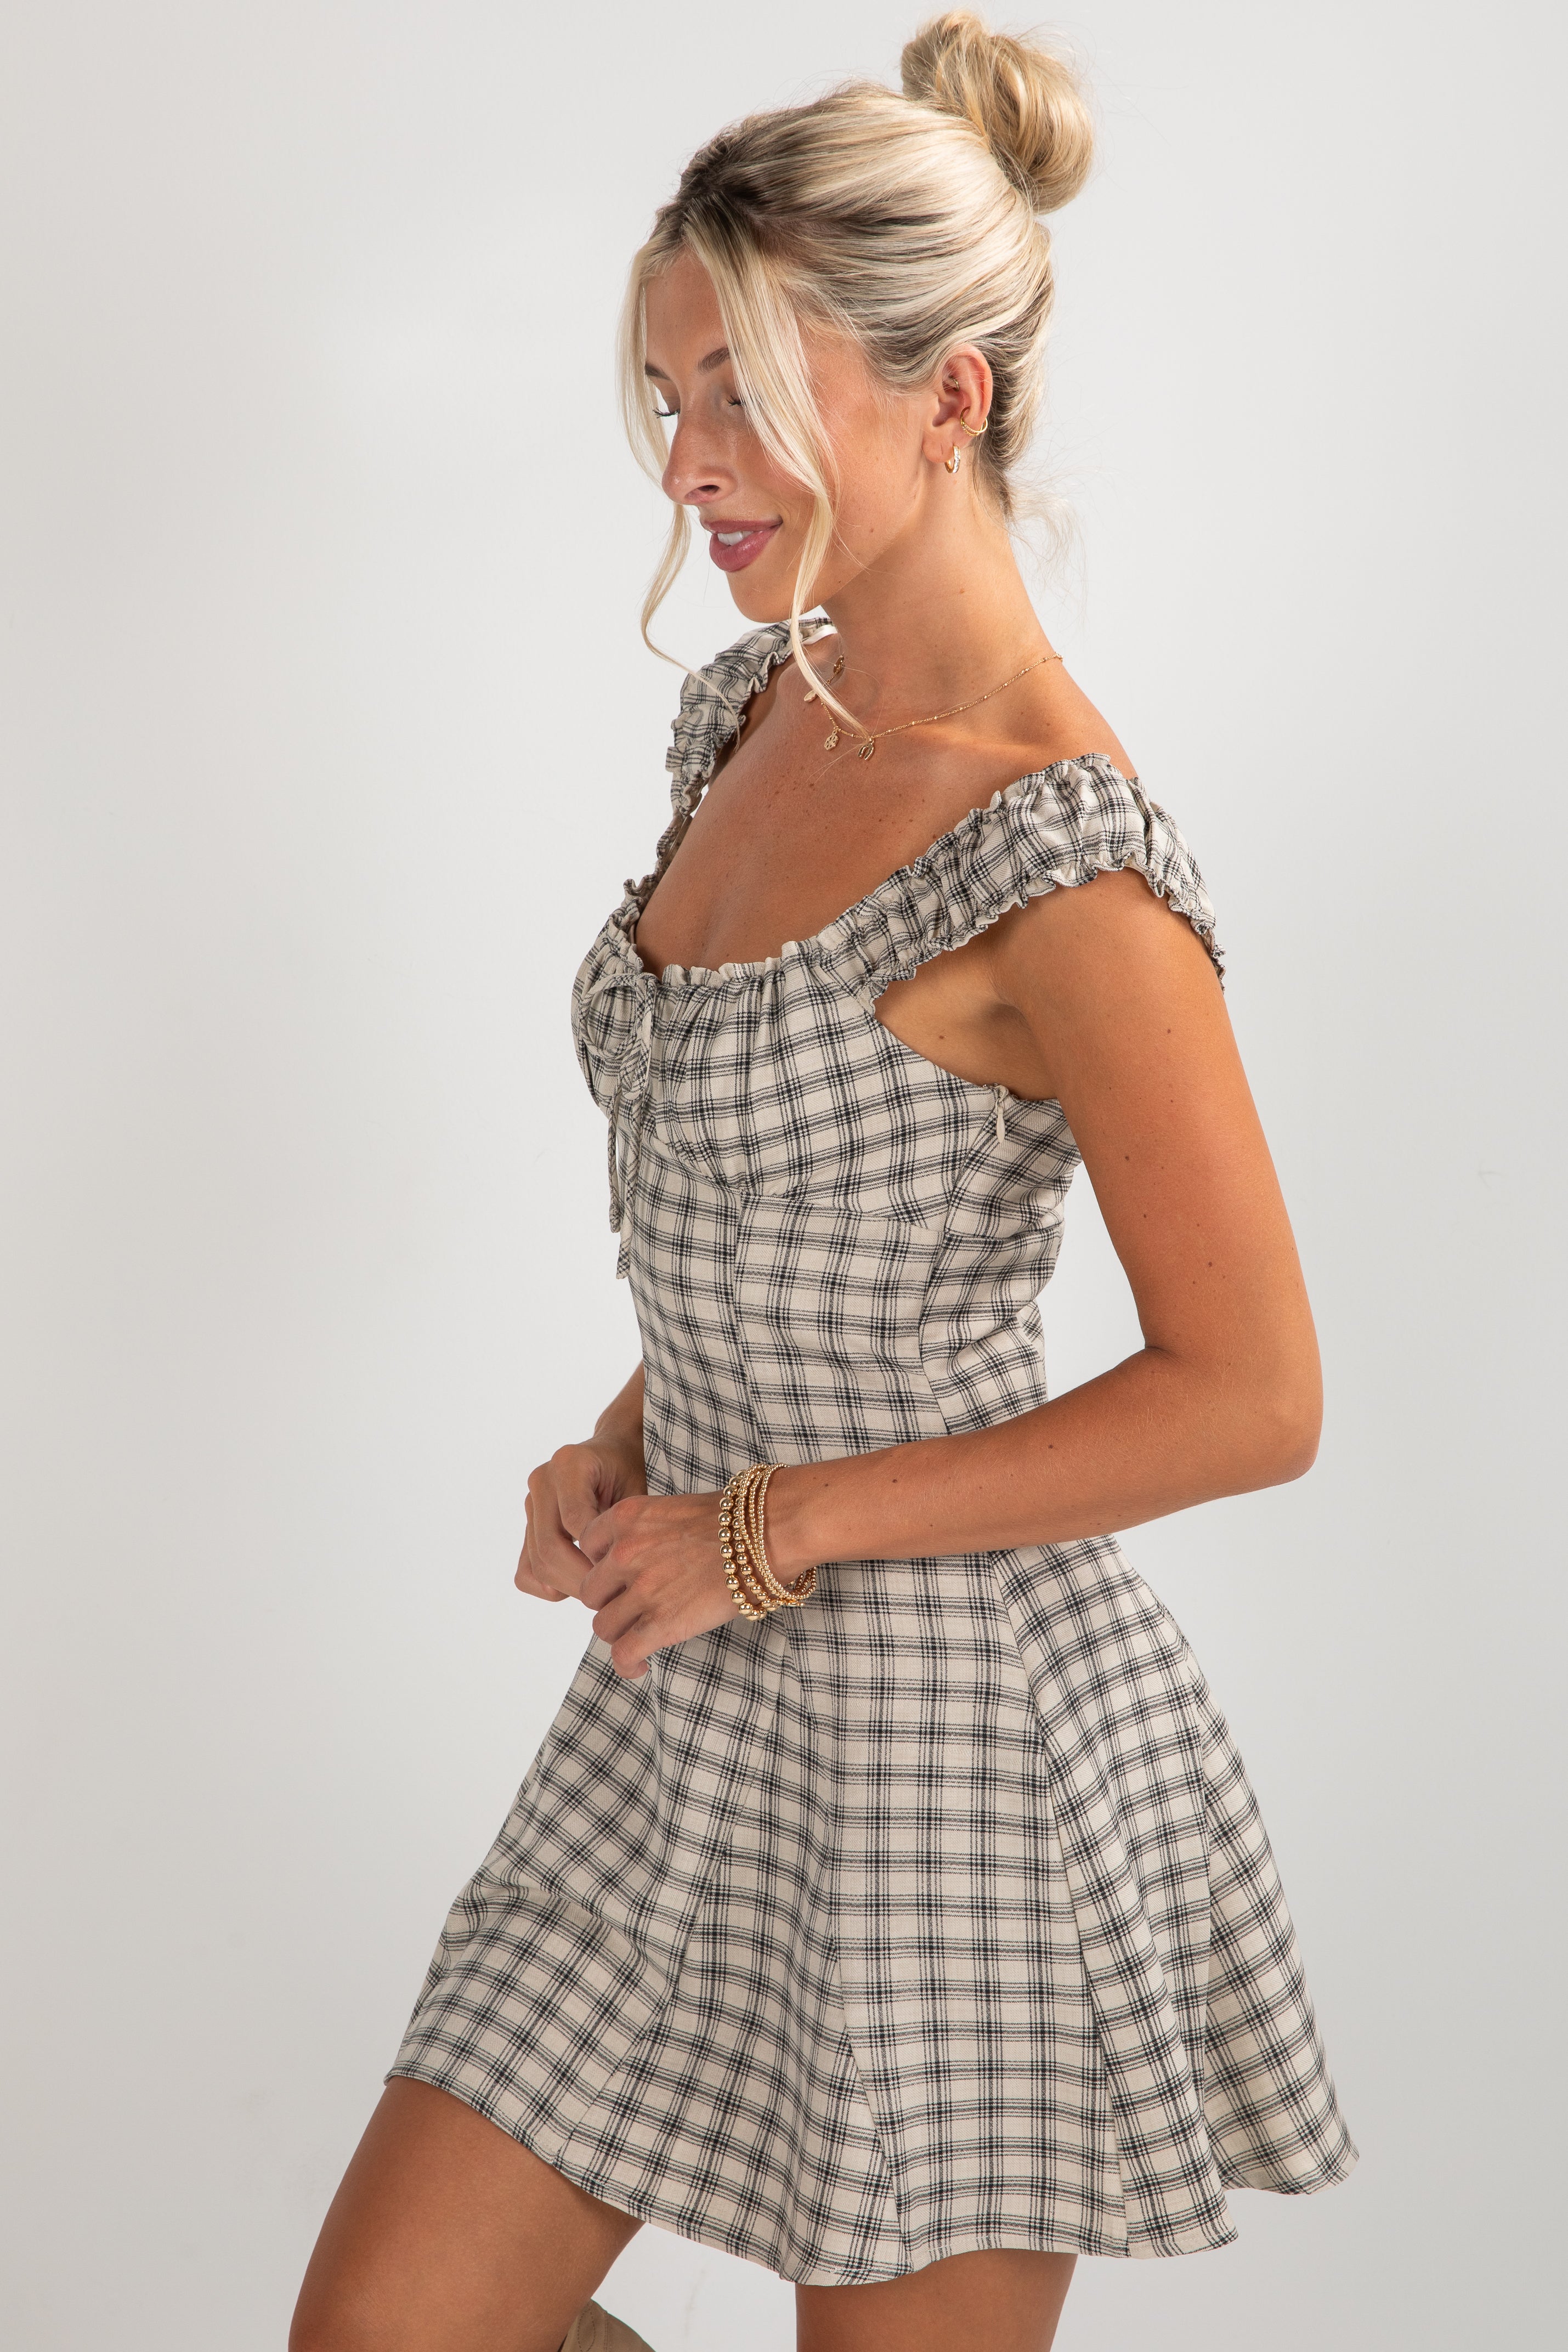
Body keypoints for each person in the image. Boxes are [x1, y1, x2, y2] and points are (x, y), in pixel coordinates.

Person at [290, 14, 1357, 2349]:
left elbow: (1254, 1394)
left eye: (746, 395)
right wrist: (631, 1441)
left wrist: (772, 1528)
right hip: (677, 1695)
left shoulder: (1065, 859)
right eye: (668, 394)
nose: (690, 463)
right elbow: (790, 1215)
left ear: (945, 399)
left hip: (958, 1753)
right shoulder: (753, 714)